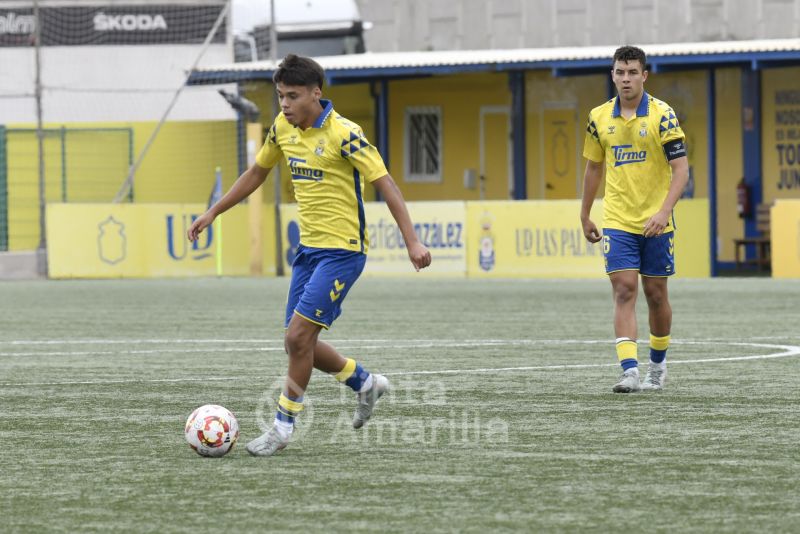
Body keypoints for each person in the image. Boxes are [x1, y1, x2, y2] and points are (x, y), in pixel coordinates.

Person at [188, 54, 432, 455]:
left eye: (293, 96)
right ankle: (365, 382)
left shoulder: (345, 133)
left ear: (316, 93)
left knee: (298, 337)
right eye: (280, 95)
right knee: (297, 343)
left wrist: (412, 241)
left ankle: (282, 429)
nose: (284, 104)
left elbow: (386, 184)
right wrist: (214, 211)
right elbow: (256, 174)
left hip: (343, 252)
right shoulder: (282, 128)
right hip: (308, 251)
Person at [580, 45, 689, 393]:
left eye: (632, 72)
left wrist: (664, 211)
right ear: (612, 75)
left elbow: (682, 170)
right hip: (618, 220)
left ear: (644, 75)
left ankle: (657, 367)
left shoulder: (663, 115)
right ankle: (629, 371)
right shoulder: (598, 117)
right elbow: (594, 167)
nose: (625, 79)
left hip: (656, 221)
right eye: (619, 72)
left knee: (656, 294)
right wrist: (584, 213)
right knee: (624, 289)